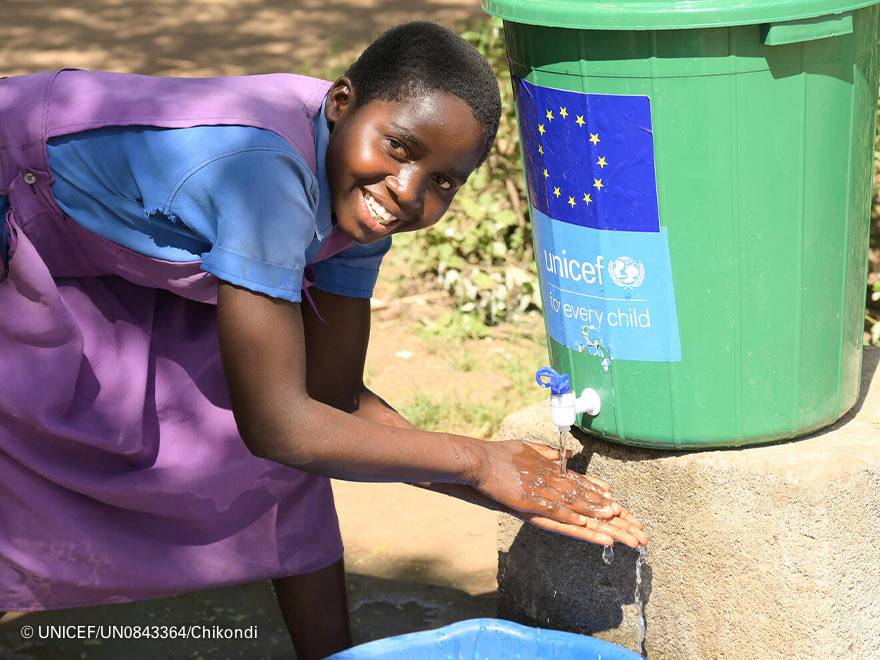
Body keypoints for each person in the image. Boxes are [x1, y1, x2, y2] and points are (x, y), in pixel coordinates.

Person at [0, 21, 647, 659]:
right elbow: (280, 426)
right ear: (341, 103)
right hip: (21, 205)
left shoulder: (358, 203)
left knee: (279, 432)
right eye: (398, 147)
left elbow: (327, 399)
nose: (407, 191)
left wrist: (501, 481)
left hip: (91, 249)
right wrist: (478, 462)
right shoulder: (266, 178)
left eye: (443, 180)